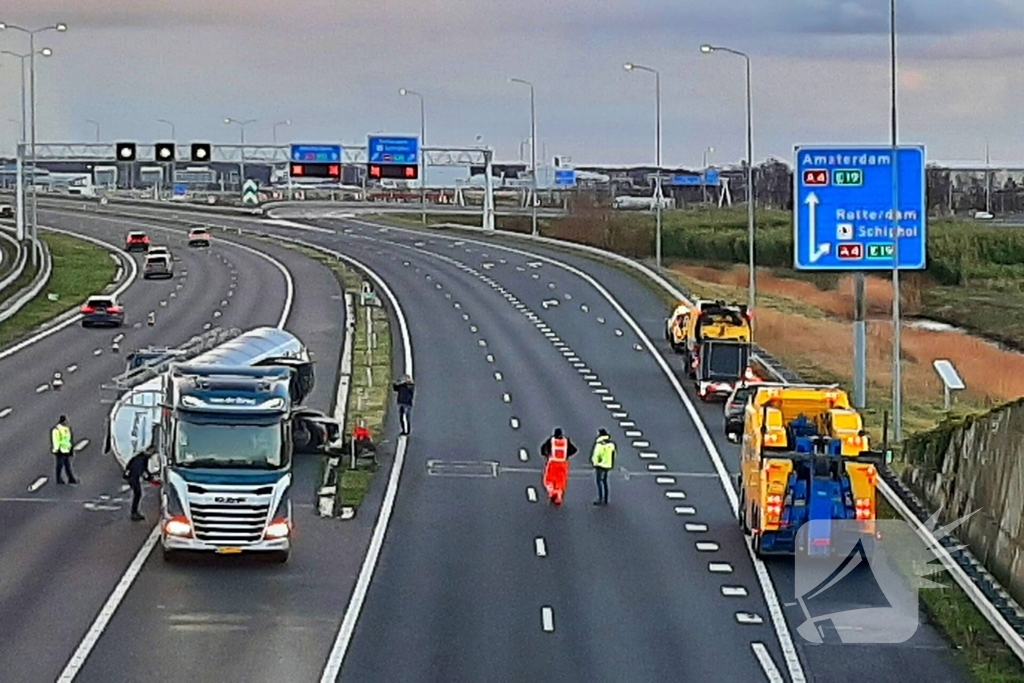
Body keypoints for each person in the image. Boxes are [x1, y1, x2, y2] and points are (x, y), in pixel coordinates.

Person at [539, 428, 578, 505]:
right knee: (560, 481)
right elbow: (574, 449)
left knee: (549, 480)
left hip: (553, 463)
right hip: (563, 464)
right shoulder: (566, 441)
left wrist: (547, 455)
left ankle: (552, 492)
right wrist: (566, 455)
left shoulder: (551, 441)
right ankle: (559, 496)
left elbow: (543, 449)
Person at [124, 445, 155, 521]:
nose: (152, 455)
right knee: (138, 494)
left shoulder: (141, 457)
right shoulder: (142, 459)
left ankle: (134, 512)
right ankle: (134, 513)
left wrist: (149, 476)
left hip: (132, 477)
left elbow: (144, 469)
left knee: (137, 494)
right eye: (152, 452)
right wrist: (148, 478)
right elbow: (141, 470)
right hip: (133, 478)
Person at [591, 428, 616, 506]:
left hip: (600, 465)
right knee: (605, 481)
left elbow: (596, 455)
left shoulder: (599, 444)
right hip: (608, 465)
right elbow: (613, 454)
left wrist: (595, 463)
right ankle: (606, 498)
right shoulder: (611, 444)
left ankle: (600, 498)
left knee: (599, 481)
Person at [51, 415, 77, 485]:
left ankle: (71, 478)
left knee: (67, 465)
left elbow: (69, 439)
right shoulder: (57, 429)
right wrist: (56, 449)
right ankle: (59, 479)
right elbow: (56, 440)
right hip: (60, 450)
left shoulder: (67, 428)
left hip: (66, 449)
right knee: (60, 465)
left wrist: (71, 448)